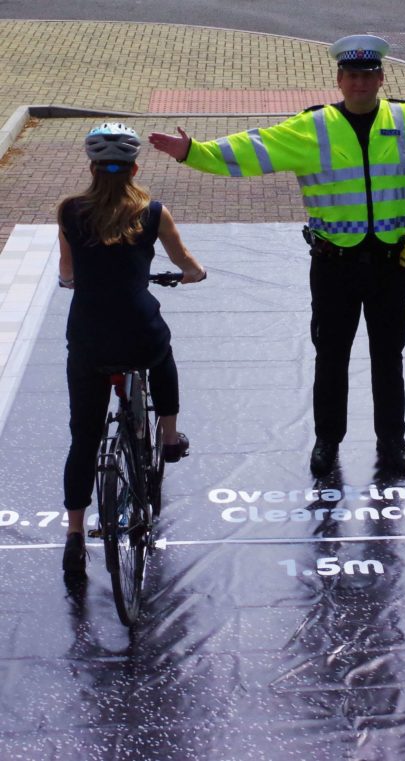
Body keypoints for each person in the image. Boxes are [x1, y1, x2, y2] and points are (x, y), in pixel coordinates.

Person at [148, 34, 405, 478]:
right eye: (352, 76)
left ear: (381, 79)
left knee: (389, 356)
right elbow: (251, 151)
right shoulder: (311, 128)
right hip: (333, 266)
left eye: (368, 76)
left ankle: (393, 440)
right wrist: (193, 153)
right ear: (340, 80)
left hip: (391, 265)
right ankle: (327, 440)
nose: (360, 84)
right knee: (331, 356)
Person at [58, 123, 207, 579]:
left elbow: (68, 276)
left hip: (88, 336)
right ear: (135, 168)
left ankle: (75, 535)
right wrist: (191, 275)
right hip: (137, 330)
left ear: (91, 168)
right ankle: (168, 434)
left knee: (83, 437)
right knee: (160, 352)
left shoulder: (69, 212)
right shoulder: (153, 212)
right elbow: (189, 265)